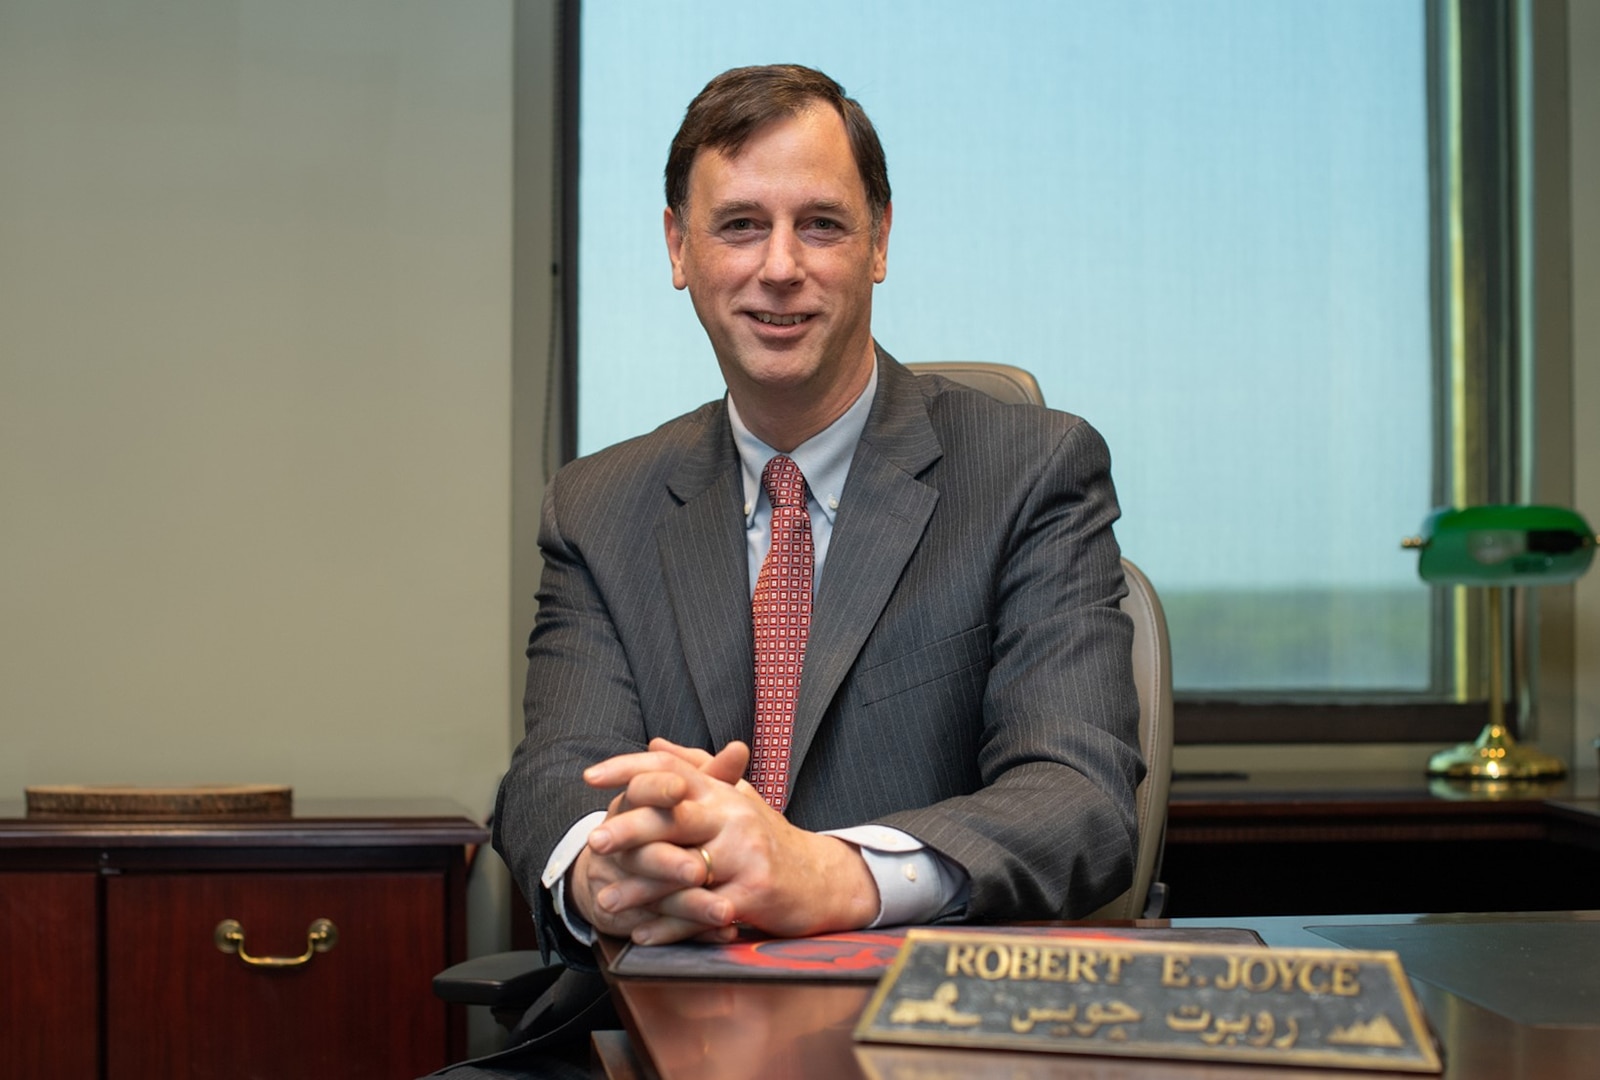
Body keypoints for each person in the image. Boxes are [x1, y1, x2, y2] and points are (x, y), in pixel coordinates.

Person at [463, 62, 1143, 1073]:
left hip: (930, 1038)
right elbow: (552, 776)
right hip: (657, 1028)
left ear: (879, 243)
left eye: (820, 224)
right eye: (738, 224)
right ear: (677, 249)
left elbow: (1077, 797)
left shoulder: (1030, 471)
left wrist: (822, 873)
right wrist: (608, 867)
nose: (779, 266)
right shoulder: (598, 506)